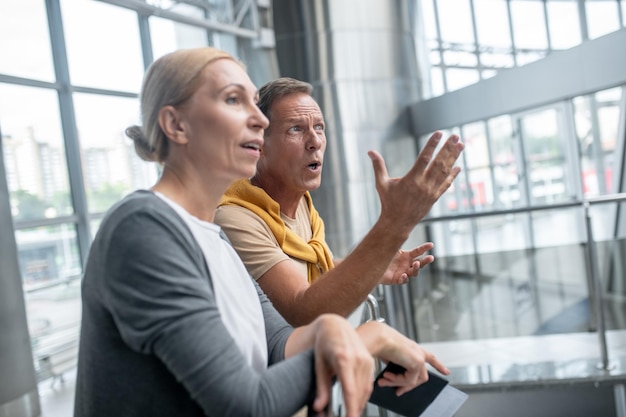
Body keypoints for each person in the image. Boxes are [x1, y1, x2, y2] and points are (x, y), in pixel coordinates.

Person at [73, 48, 450, 417]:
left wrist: (337, 331)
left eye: (255, 103)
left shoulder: (213, 237)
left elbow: (278, 344)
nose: (259, 120)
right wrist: (369, 336)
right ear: (176, 125)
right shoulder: (142, 229)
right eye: (233, 100)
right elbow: (246, 403)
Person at [215, 77, 464, 327]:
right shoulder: (235, 219)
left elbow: (307, 265)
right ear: (260, 144)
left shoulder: (301, 202)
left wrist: (376, 265)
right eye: (296, 129)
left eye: (319, 127)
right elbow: (304, 312)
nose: (315, 142)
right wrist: (396, 222)